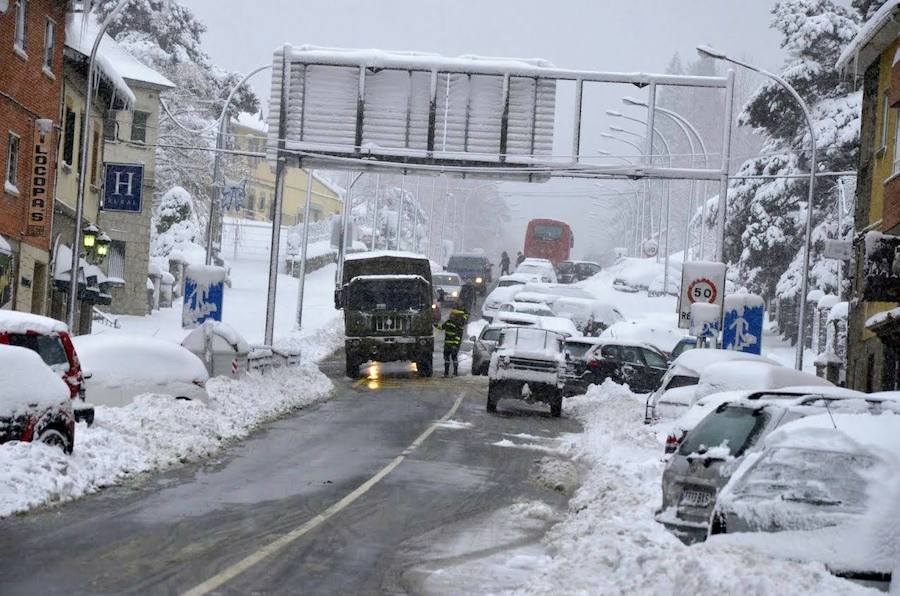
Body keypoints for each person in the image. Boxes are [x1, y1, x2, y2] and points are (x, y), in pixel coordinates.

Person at [437, 306, 468, 376]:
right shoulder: (458, 325)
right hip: (453, 345)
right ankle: (455, 372)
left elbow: (441, 327)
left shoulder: (448, 322)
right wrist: (456, 345)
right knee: (454, 358)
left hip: (447, 345)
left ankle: (446, 373)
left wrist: (436, 325)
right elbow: (458, 336)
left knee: (447, 359)